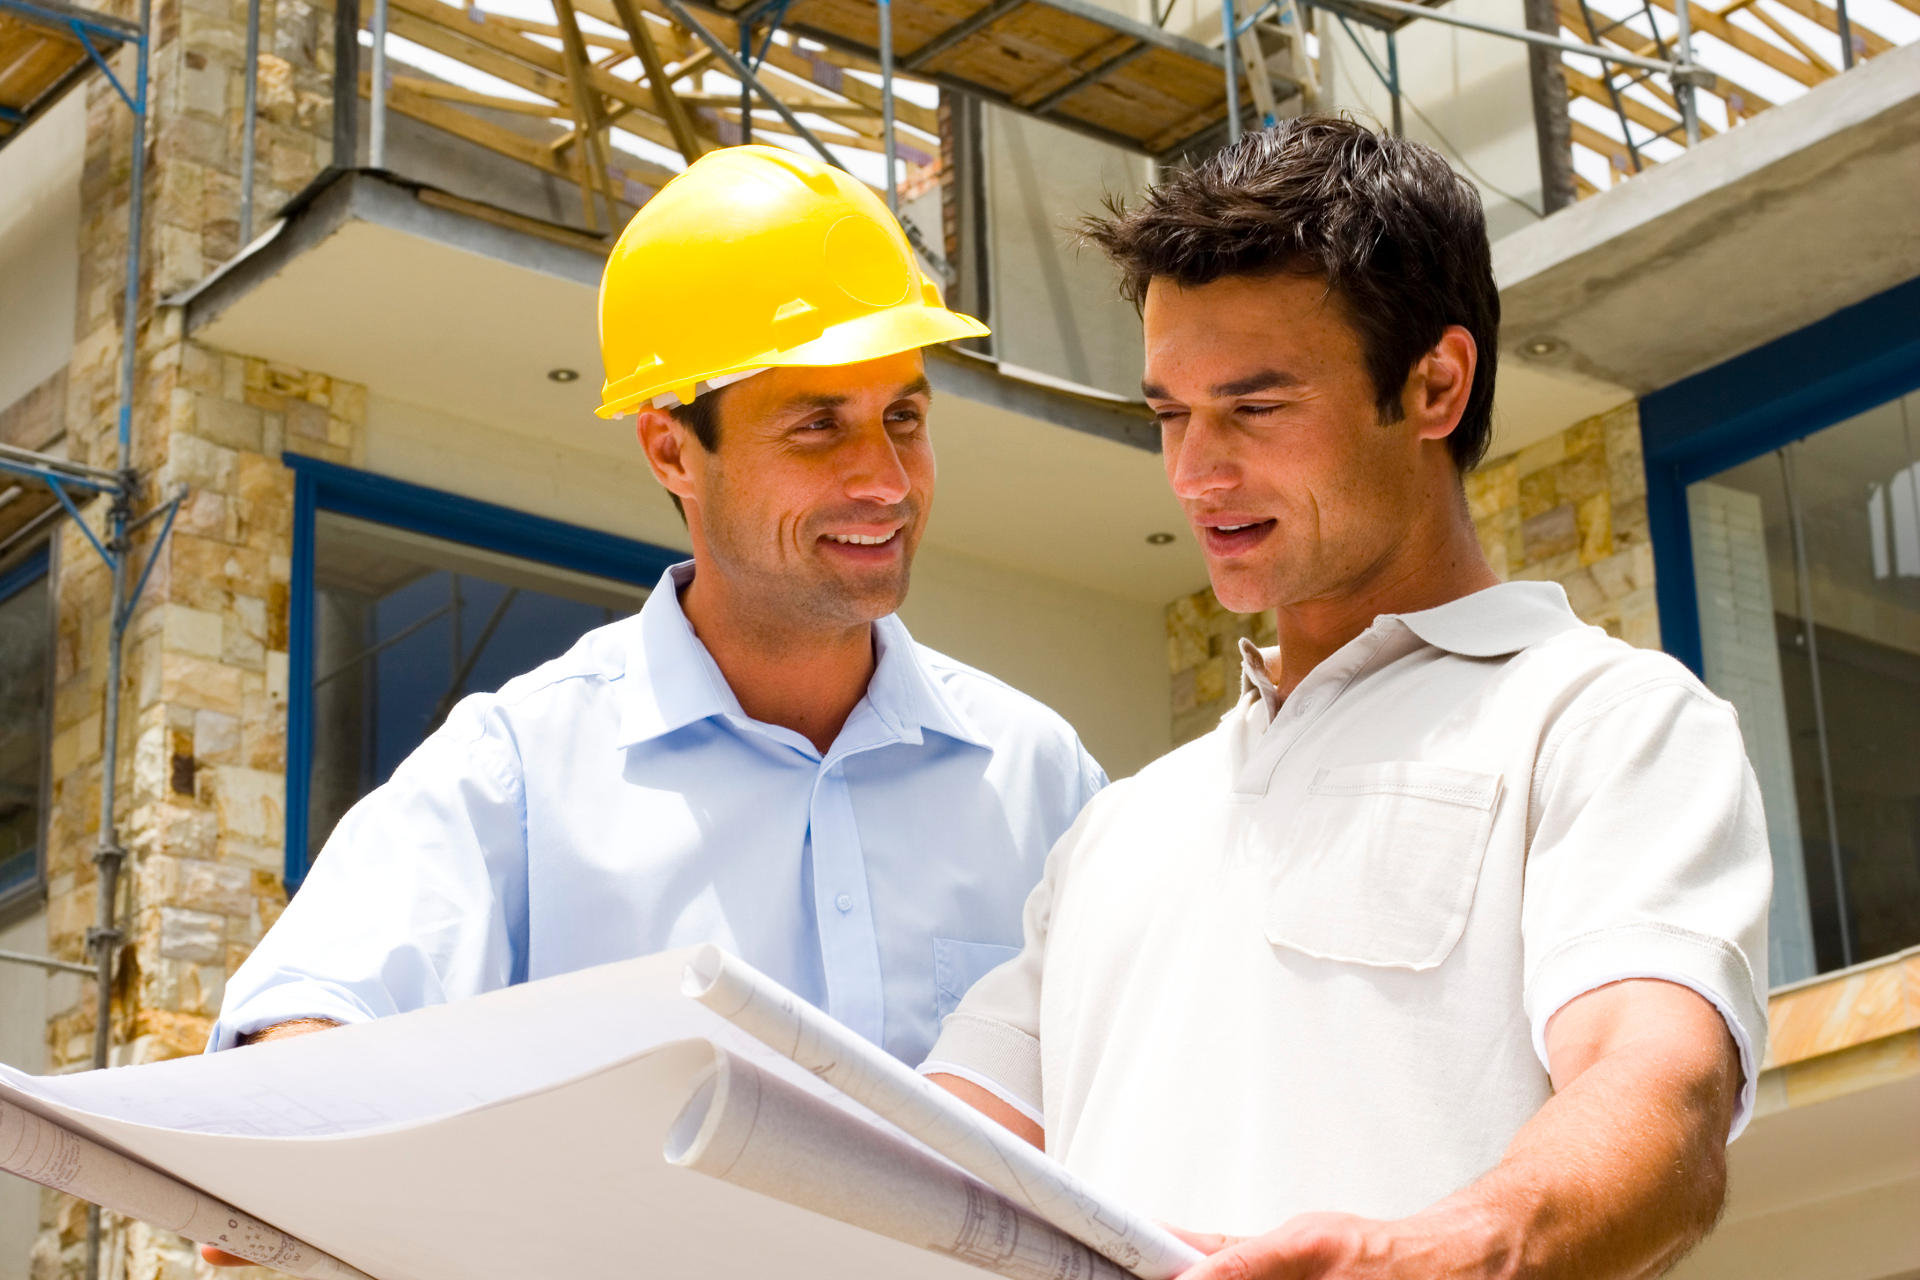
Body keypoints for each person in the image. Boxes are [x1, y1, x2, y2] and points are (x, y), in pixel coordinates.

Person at [924, 118, 1771, 1280]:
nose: (1195, 471)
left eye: (1255, 408)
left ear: (1433, 383)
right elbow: (927, 1147)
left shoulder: (1602, 720)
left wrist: (1438, 1253)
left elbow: (1657, 1084)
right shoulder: (1118, 827)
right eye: (1170, 412)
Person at [208, 146, 1104, 1073]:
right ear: (673, 452)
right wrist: (297, 1093)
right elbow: (308, 1013)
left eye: (903, 420)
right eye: (817, 426)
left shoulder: (1043, 780)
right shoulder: (519, 774)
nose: (883, 480)